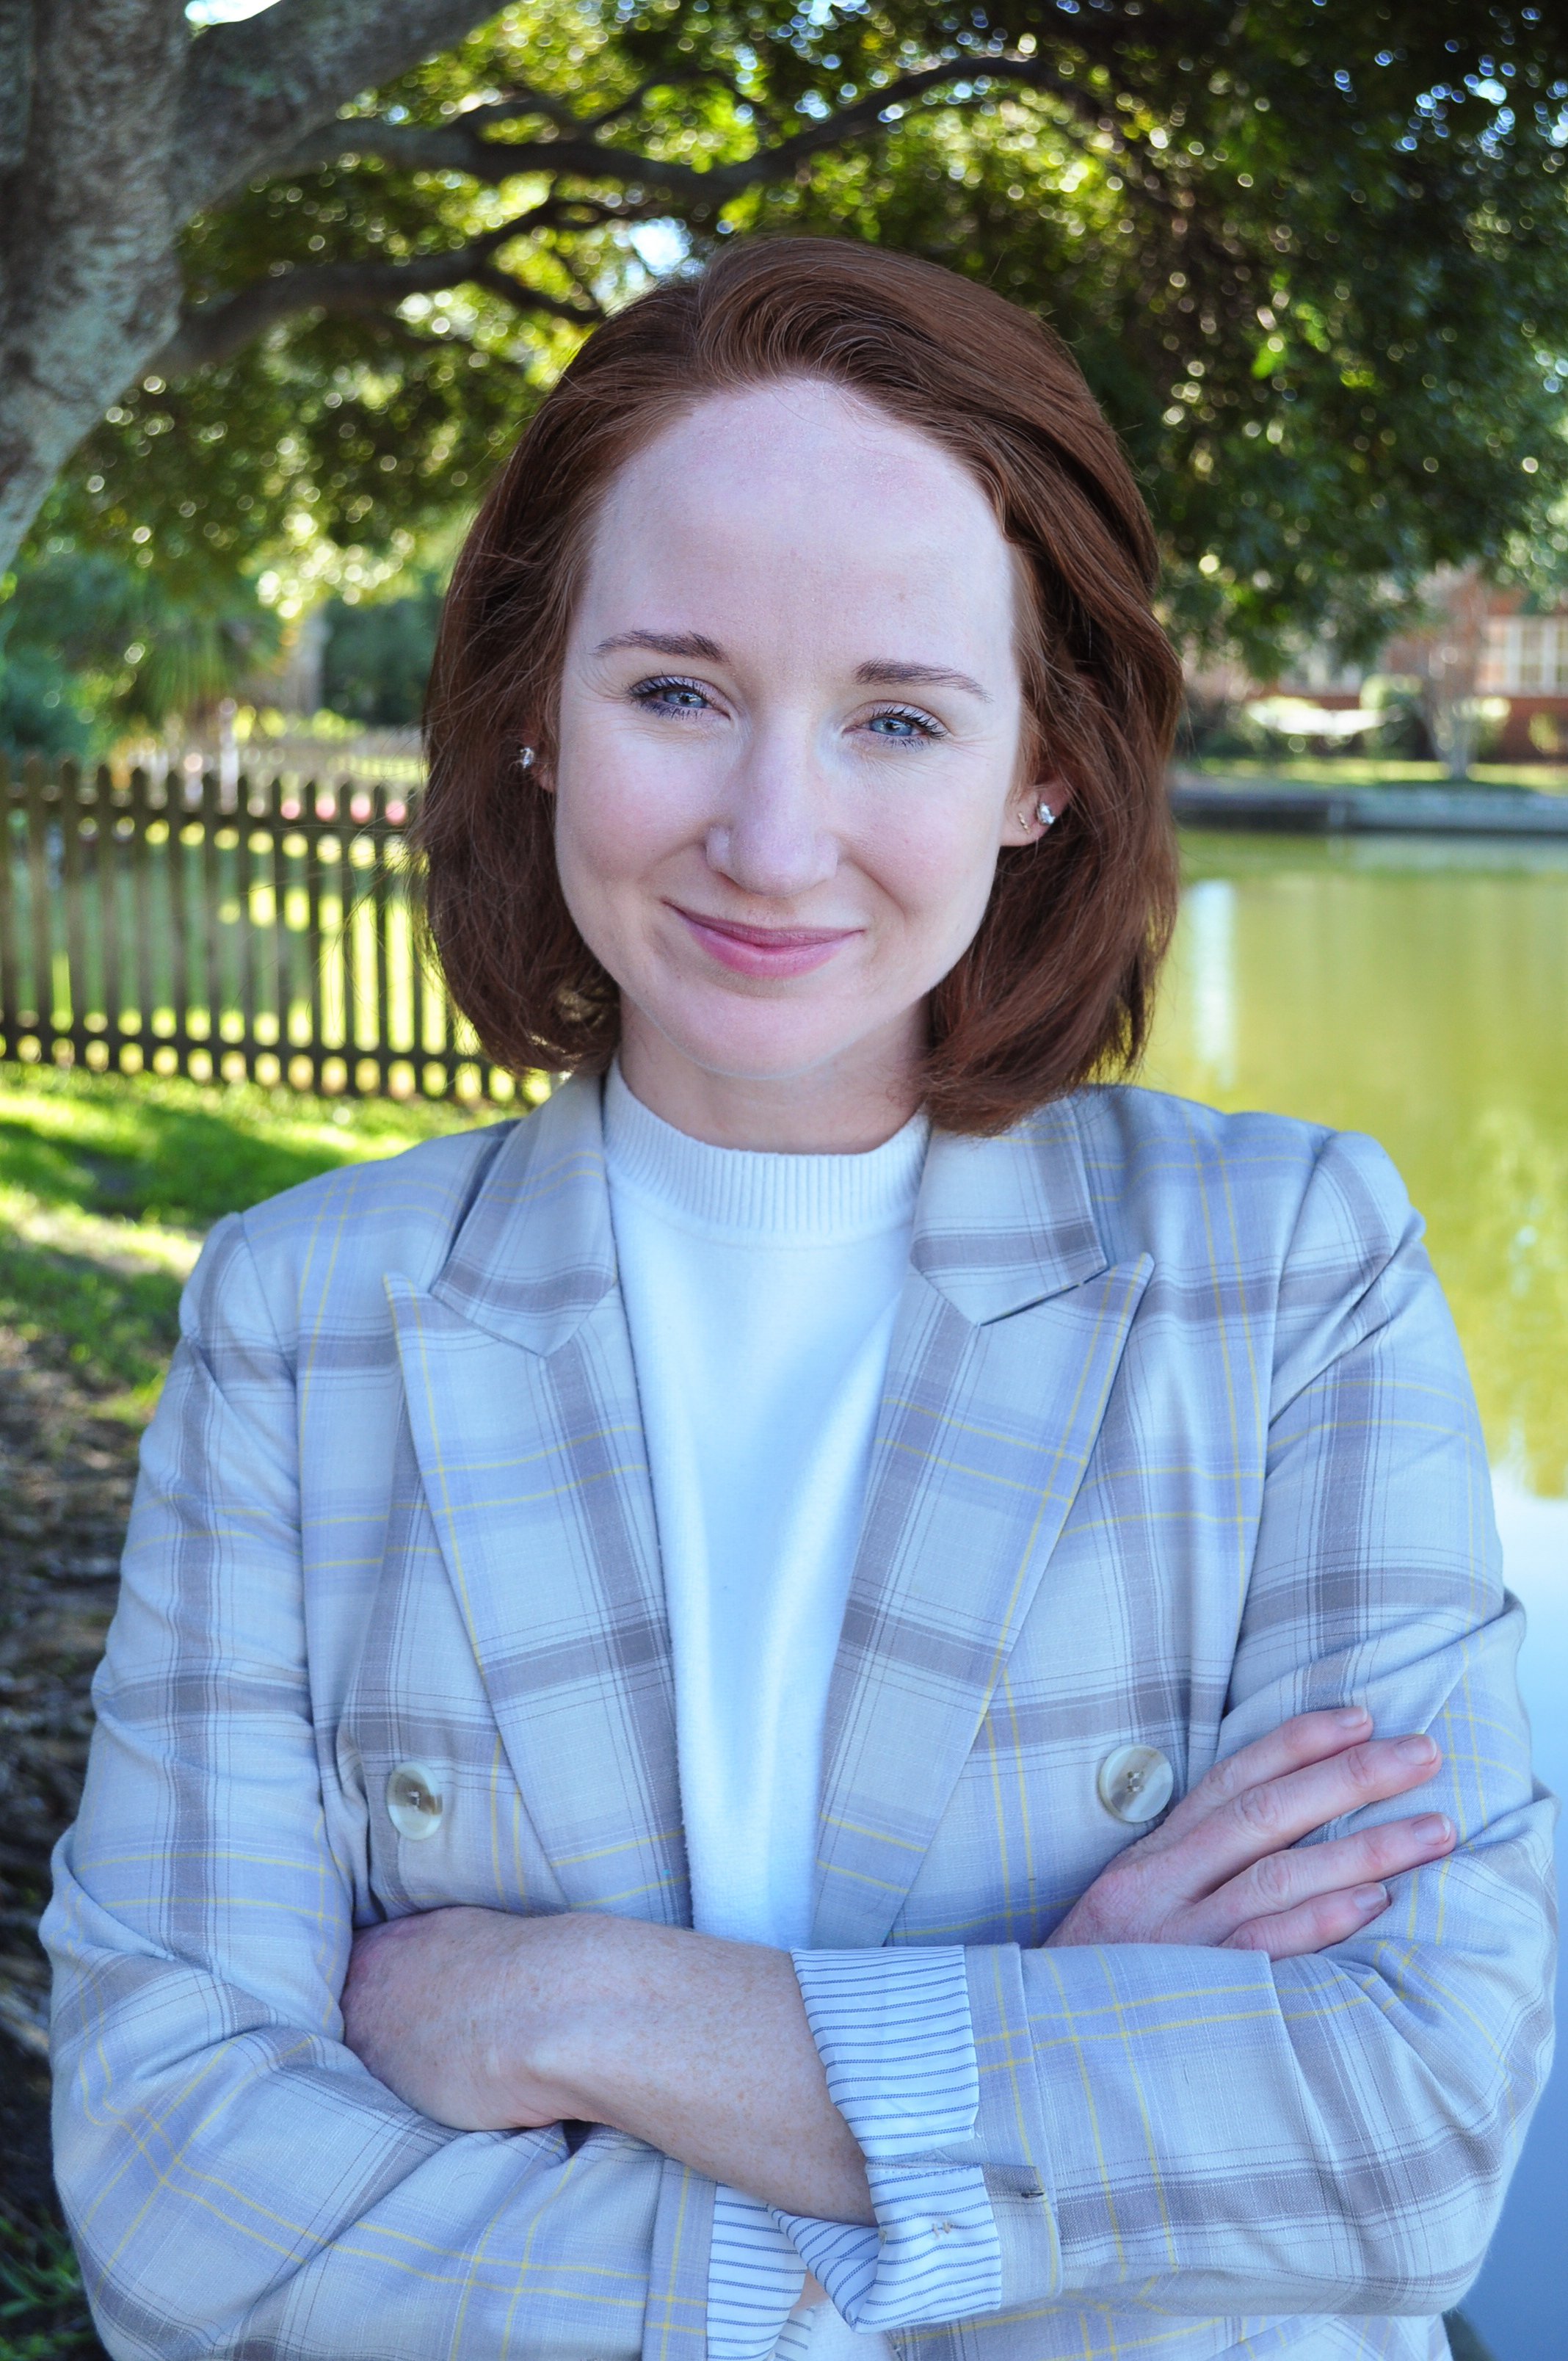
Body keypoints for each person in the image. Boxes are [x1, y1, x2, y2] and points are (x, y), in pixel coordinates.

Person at [46, 238, 1553, 2361]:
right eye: (675, 689)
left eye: (899, 717)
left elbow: (1406, 2142)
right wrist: (1056, 2042)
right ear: (537, 714)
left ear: (1043, 762)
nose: (774, 834)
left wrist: (563, 2007)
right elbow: (178, 2189)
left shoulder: (1292, 1273)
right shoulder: (304, 1324)